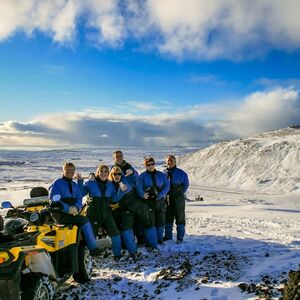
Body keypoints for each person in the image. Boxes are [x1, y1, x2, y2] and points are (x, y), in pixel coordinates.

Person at [49, 162, 101, 255]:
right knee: (83, 220)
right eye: (68, 170)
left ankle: (83, 245)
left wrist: (77, 207)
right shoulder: (57, 183)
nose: (70, 172)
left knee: (83, 218)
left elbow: (79, 197)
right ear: (63, 170)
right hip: (59, 213)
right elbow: (54, 199)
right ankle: (93, 248)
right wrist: (67, 208)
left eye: (72, 170)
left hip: (72, 212)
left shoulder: (74, 184)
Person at [79, 164, 122, 259]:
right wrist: (80, 181)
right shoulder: (91, 183)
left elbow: (115, 198)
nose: (103, 173)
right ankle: (88, 256)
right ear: (97, 173)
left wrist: (122, 190)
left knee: (115, 233)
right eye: (101, 171)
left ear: (108, 173)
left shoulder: (110, 184)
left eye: (106, 171)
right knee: (90, 235)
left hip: (106, 213)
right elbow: (81, 193)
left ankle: (118, 254)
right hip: (93, 213)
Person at [136, 157, 170, 245]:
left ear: (154, 164)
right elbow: (138, 187)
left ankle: (159, 238)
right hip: (148, 202)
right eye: (148, 165)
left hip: (160, 201)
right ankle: (149, 239)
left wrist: (161, 195)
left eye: (152, 164)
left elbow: (167, 185)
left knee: (160, 220)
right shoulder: (142, 176)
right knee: (149, 221)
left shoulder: (160, 175)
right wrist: (143, 195)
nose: (150, 166)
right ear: (145, 166)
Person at [108, 166, 138, 257]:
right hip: (113, 211)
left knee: (126, 230)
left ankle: (133, 252)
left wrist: (132, 173)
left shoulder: (125, 182)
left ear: (122, 175)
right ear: (111, 175)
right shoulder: (109, 184)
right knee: (115, 232)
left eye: (119, 174)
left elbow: (135, 180)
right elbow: (112, 198)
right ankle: (117, 253)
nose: (117, 176)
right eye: (114, 174)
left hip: (126, 210)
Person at [163, 155, 189, 243]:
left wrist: (180, 193)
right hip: (167, 198)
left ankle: (180, 238)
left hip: (178, 198)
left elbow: (186, 184)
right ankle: (168, 236)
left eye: (171, 160)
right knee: (168, 217)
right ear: (166, 162)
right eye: (168, 161)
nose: (169, 162)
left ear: (175, 162)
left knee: (180, 218)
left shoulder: (181, 173)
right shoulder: (163, 173)